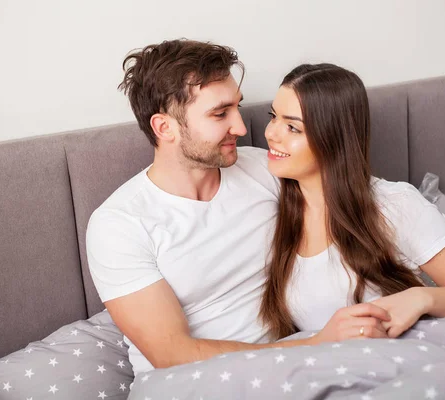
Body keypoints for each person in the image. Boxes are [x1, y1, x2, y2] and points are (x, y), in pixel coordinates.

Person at [86, 40, 394, 376]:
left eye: (237, 107)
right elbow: (171, 353)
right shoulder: (119, 224)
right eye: (220, 114)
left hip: (294, 367)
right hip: (191, 381)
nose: (242, 128)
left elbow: (352, 195)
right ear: (165, 127)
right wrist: (317, 343)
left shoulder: (265, 169)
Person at [259, 63, 445, 342]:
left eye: (292, 127)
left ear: (333, 138)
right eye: (272, 116)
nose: (270, 133)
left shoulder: (395, 205)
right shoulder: (272, 206)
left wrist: (421, 297)